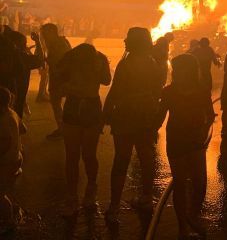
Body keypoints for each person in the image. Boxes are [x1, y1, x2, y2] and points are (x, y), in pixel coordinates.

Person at [103, 27, 162, 224]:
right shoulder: (152, 63)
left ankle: (114, 206)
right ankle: (146, 198)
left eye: (128, 38)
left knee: (121, 159)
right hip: (145, 115)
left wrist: (106, 112)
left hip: (126, 115)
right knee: (145, 156)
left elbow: (116, 90)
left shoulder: (126, 64)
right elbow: (157, 90)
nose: (124, 40)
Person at [157, 54, 215, 238]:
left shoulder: (201, 91)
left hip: (194, 141)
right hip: (178, 140)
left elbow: (209, 114)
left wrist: (203, 130)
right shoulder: (169, 92)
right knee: (182, 183)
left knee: (199, 183)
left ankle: (191, 216)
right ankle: (184, 225)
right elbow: (160, 116)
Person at [57, 44, 111, 216]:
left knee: (74, 155)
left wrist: (72, 87)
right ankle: (88, 190)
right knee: (87, 154)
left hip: (76, 106)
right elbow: (106, 80)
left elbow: (59, 81)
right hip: (90, 106)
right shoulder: (99, 58)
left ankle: (74, 197)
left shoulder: (72, 57)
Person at [40, 23, 72, 140]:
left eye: (45, 33)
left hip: (60, 78)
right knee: (58, 104)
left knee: (57, 103)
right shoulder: (58, 42)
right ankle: (64, 128)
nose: (43, 36)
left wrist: (47, 60)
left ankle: (64, 128)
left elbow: (59, 62)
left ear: (52, 32)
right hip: (60, 77)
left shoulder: (58, 44)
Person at [0, 88, 22, 235]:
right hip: (15, 158)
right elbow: (23, 129)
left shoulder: (4, 120)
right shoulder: (12, 113)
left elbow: (6, 145)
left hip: (7, 161)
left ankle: (9, 222)